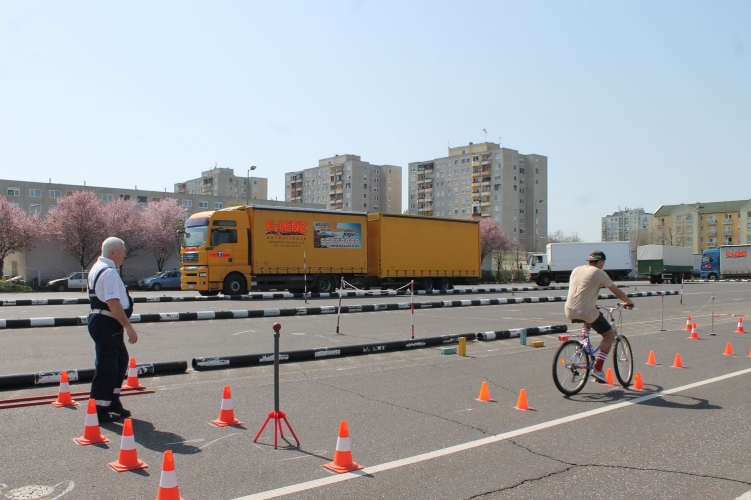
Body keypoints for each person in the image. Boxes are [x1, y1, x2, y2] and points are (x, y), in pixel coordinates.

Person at [87, 237, 138, 422]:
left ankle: (112, 400)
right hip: (107, 322)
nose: (125, 254)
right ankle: (99, 409)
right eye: (123, 251)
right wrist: (129, 327)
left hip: (107, 322)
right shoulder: (108, 272)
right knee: (107, 366)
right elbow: (113, 303)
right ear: (113, 252)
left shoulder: (101, 267)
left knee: (120, 361)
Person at [564, 250, 634, 384]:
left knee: (590, 316)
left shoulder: (577, 269)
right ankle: (598, 369)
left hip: (569, 310)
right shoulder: (599, 273)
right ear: (601, 261)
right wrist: (628, 301)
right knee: (609, 334)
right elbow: (616, 291)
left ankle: (584, 340)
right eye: (603, 263)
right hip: (585, 311)